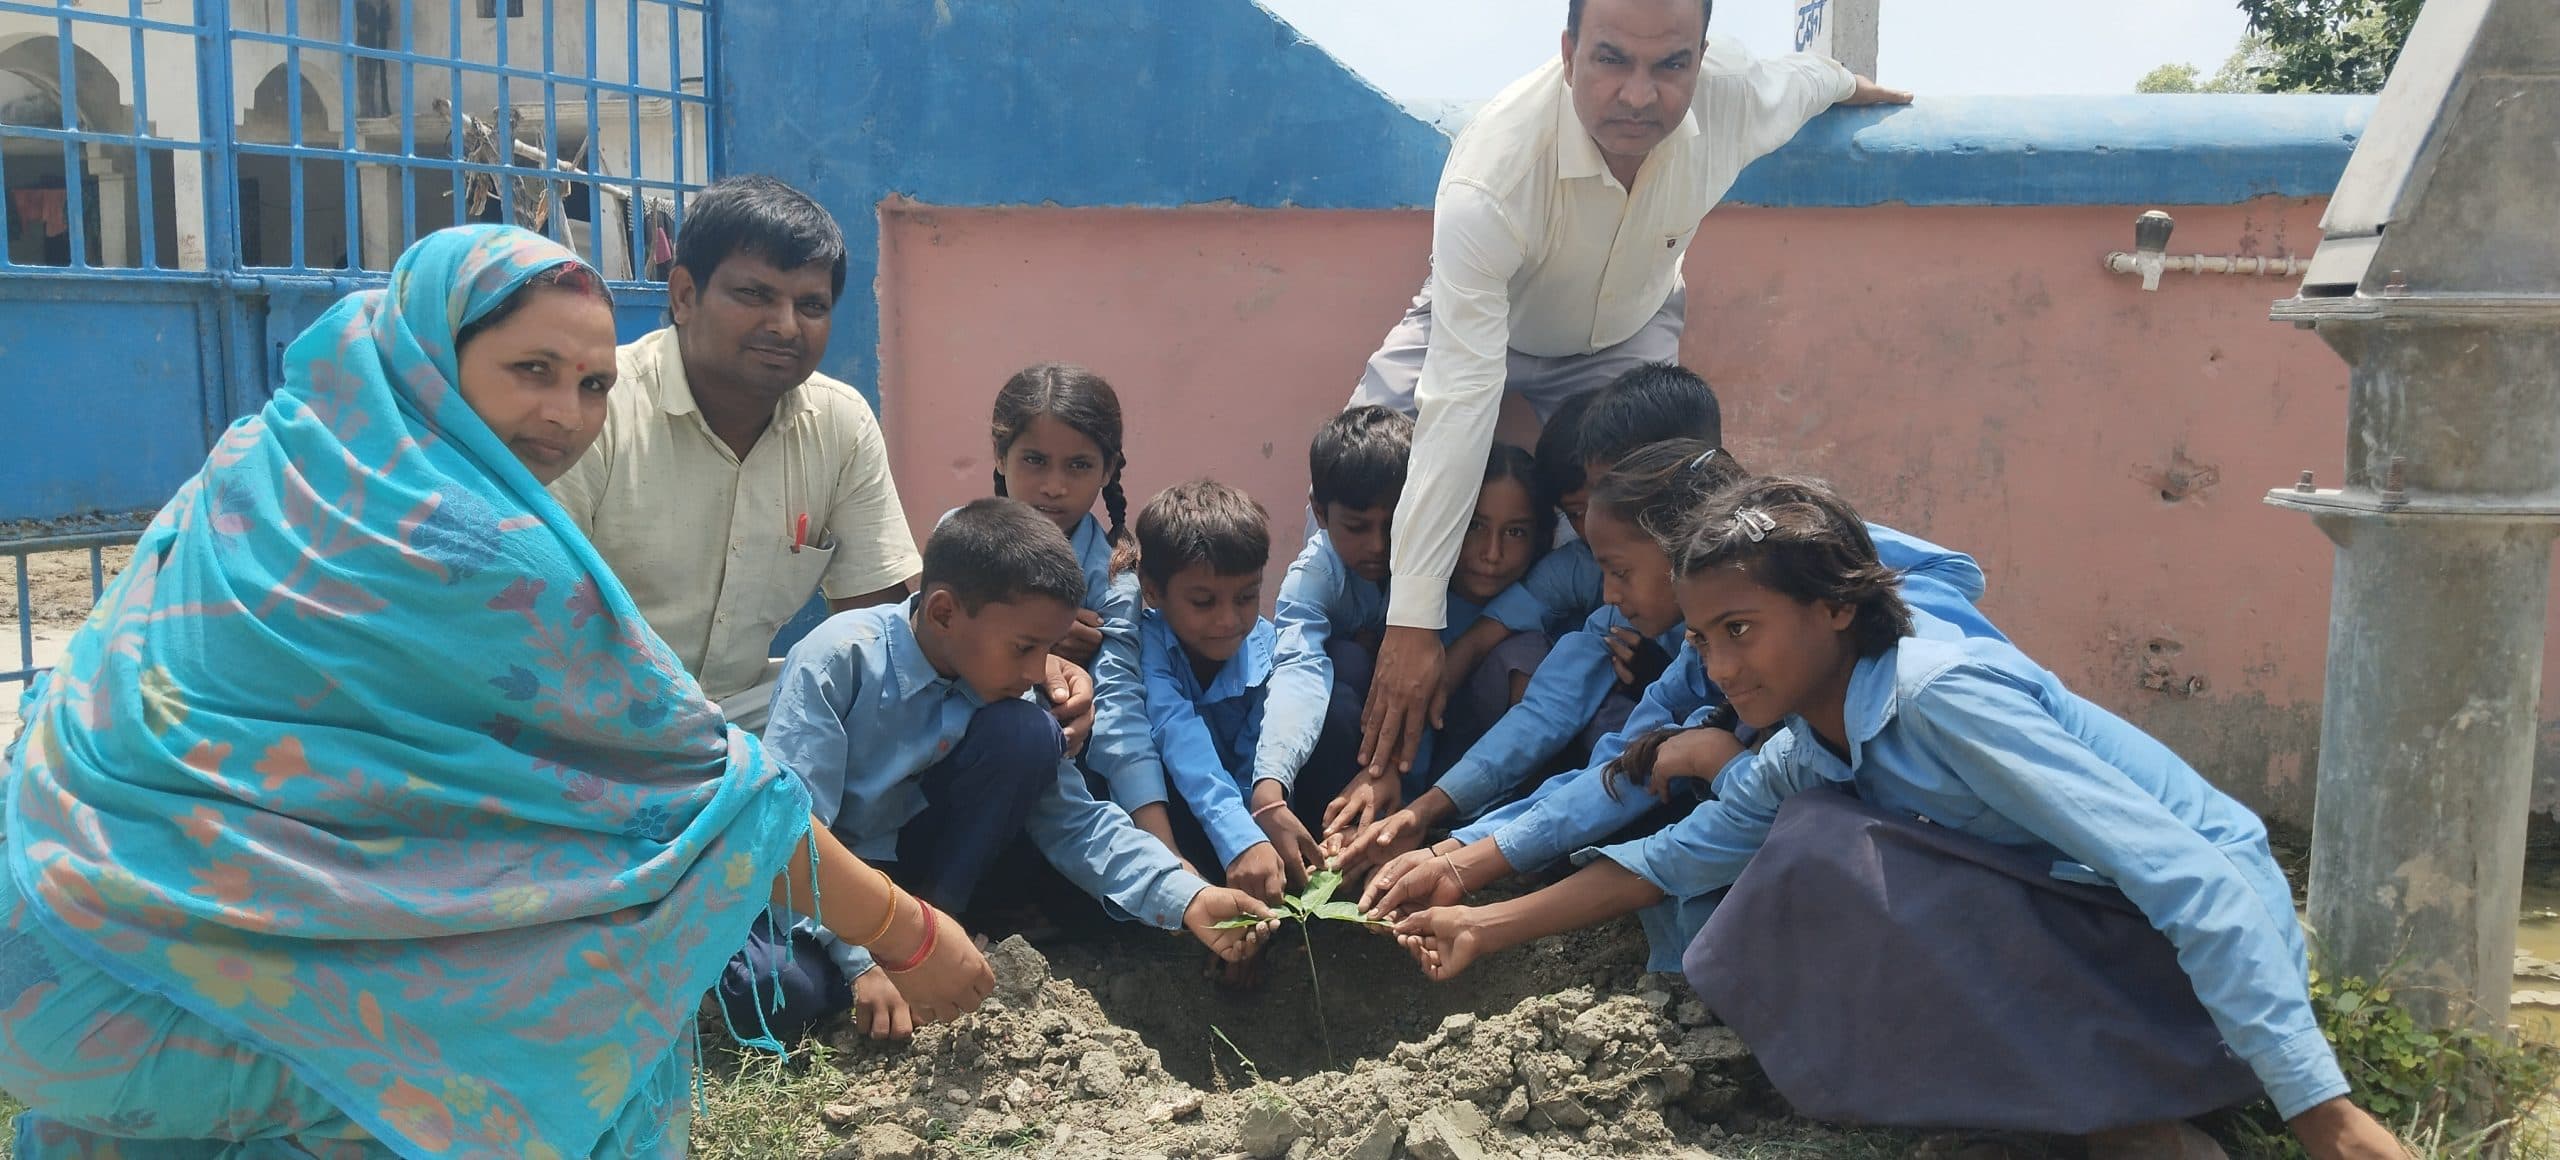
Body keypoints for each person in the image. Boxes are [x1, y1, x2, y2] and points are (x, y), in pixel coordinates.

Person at [0, 226, 992, 1158]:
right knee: (584, 1024)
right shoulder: (480, 549)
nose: (565, 415)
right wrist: (907, 934)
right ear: (434, 354)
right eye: (531, 371)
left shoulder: (263, 459)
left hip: (48, 933)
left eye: (594, 384)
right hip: (146, 1001)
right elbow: (715, 796)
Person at [1386, 476, 2409, 1160]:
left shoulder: (1940, 696)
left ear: (1836, 606)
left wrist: (2320, 1111)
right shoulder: (1804, 740)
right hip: (2110, 962)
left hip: (2193, 974)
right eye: (1704, 639)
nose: (1724, 666)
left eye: (1742, 628)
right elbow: (1677, 854)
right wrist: (1483, 917)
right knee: (1794, 847)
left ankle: (2134, 1110)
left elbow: (2189, 875)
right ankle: (2108, 1107)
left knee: (1825, 854)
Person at [1351, 0, 1912, 800]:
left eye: (1670, 65)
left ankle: (1621, 731)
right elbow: (1461, 403)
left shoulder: (1730, 97)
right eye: (1611, 60)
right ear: (1569, 50)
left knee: (1655, 534)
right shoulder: (1493, 175)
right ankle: (1360, 728)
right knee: (1356, 466)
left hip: (1628, 332)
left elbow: (1805, 80)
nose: (1640, 95)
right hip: (1486, 319)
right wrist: (1413, 623)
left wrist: (1856, 83)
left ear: (1702, 56)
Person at [550, 175, 1093, 742]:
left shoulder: (839, 422)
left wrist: (1027, 660)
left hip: (751, 719)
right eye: (754, 295)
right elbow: (532, 623)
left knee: (1006, 729)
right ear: (685, 295)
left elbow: (890, 623)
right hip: (596, 725)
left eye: (810, 305)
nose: (785, 326)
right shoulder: (595, 407)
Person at [722, 499, 1275, 1042]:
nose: (1041, 670)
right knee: (777, 994)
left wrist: (1190, 897)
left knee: (1030, 735)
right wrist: (862, 959)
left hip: (904, 874)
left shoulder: (1002, 683)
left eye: (1048, 648)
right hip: (813, 880)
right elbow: (790, 831)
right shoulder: (836, 660)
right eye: (1024, 648)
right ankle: (878, 961)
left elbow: (1078, 822)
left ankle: (932, 942)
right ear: (943, 613)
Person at [1334, 439, 1742, 874]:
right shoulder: (1637, 631)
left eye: (1620, 572)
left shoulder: (1752, 659)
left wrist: (1461, 859)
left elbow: (1628, 780)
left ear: (1685, 553)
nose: (1606, 593)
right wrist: (1434, 824)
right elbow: (1596, 748)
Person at [979, 364, 1173, 856]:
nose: (1054, 486)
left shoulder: (1113, 579)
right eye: (1035, 460)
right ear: (1001, 457)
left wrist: (1164, 850)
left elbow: (1120, 704)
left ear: (1109, 470)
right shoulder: (961, 549)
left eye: (1079, 465)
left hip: (1077, 772)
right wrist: (1039, 647)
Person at [1261, 406, 1411, 886]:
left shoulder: (1434, 563)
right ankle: (1332, 828)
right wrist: (1271, 785)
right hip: (1349, 743)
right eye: (1358, 526)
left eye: (1394, 524)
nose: (1379, 546)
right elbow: (1297, 669)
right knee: (1342, 662)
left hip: (1416, 747)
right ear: (1321, 513)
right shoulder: (1314, 575)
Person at [1130, 481, 1300, 903]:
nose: (1228, 620)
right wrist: (1239, 840)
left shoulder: (1269, 651)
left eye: (1246, 597)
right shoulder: (1146, 642)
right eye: (1204, 602)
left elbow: (1253, 765)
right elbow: (1174, 729)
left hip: (1241, 815)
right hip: (1179, 813)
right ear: (1152, 591)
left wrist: (1254, 861)